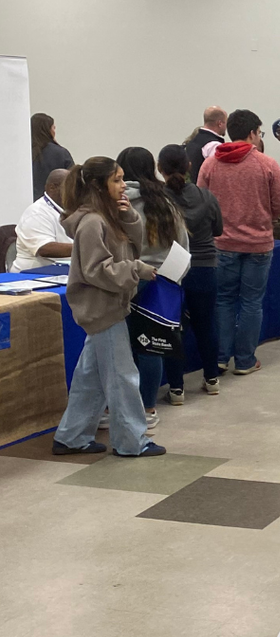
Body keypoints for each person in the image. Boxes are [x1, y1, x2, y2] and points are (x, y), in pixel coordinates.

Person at [51, 157, 164, 458]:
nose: (123, 185)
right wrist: (135, 269)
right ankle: (131, 441)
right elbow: (97, 270)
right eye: (116, 179)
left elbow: (127, 248)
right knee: (122, 378)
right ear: (99, 186)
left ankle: (71, 436)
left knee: (90, 377)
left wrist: (128, 219)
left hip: (110, 305)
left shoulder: (108, 217)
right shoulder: (92, 223)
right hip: (103, 308)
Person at [198, 109, 280, 376]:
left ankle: (221, 357)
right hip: (258, 243)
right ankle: (246, 360)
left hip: (222, 243)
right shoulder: (267, 164)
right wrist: (263, 216)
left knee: (224, 301)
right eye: (260, 132)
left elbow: (202, 200)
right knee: (251, 302)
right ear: (252, 133)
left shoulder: (210, 163)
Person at [116, 146, 190, 428]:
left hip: (124, 281)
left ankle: (121, 407)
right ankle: (148, 408)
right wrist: (172, 280)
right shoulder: (165, 203)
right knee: (151, 347)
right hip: (160, 282)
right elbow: (183, 247)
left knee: (122, 349)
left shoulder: (117, 204)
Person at [157, 144, 223, 402]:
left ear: (159, 169)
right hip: (205, 265)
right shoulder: (207, 197)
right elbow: (218, 230)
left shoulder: (159, 201)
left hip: (172, 268)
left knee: (173, 327)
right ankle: (212, 379)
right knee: (207, 324)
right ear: (189, 166)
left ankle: (176, 389)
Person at [12, 168, 72, 272]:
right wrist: (85, 248)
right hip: (33, 275)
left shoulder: (71, 209)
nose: (74, 192)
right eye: (69, 187)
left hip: (62, 271)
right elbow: (45, 248)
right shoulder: (36, 212)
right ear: (52, 188)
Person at [30, 112, 74, 201]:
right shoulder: (61, 153)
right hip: (55, 203)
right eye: (53, 128)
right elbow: (72, 181)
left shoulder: (22, 153)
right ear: (49, 130)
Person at [184, 106, 227, 184]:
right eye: (225, 122)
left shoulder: (193, 142)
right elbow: (218, 174)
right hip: (206, 192)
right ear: (220, 123)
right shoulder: (213, 145)